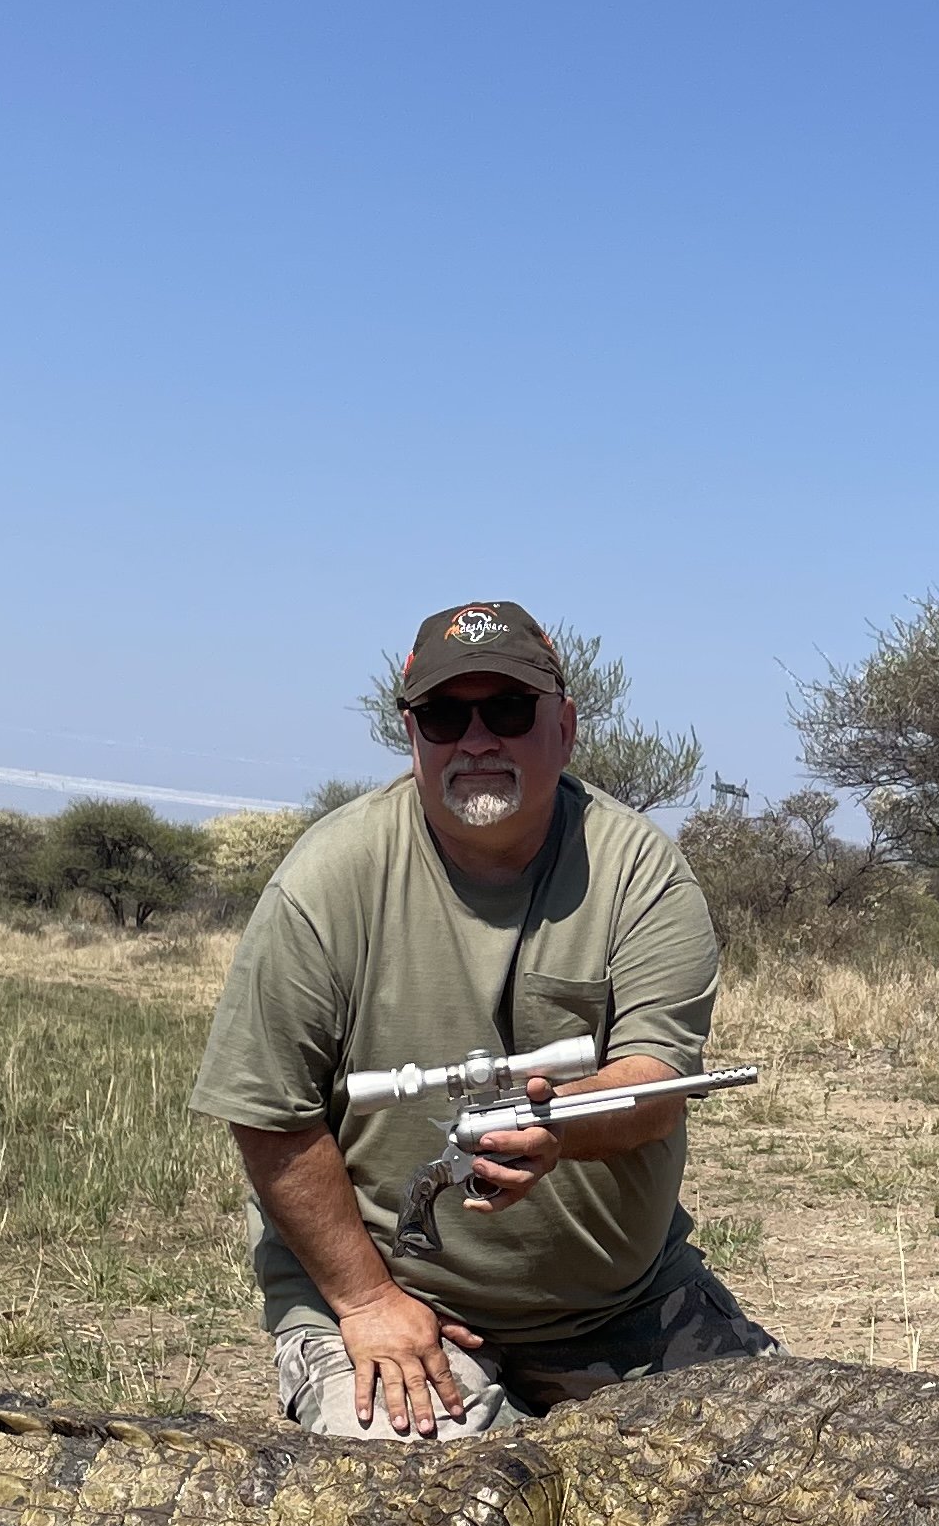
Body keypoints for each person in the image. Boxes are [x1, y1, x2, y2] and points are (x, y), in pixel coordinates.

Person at [189, 600, 774, 1436]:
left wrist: (559, 1129)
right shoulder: (326, 878)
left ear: (564, 727)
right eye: (443, 715)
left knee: (785, 1471)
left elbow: (656, 1083)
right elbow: (268, 1112)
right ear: (412, 735)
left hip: (621, 1305)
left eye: (506, 710)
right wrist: (367, 1299)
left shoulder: (643, 871)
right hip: (390, 1305)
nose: (476, 740)